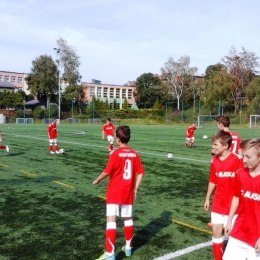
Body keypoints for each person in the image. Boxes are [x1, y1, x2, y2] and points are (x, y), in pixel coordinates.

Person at [93, 126, 144, 260]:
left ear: (117, 139)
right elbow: (141, 173)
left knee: (111, 220)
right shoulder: (134, 154)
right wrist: (135, 188)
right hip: (128, 191)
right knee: (128, 218)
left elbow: (107, 171)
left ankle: (110, 253)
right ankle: (128, 248)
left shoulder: (115, 153)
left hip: (115, 191)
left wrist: (97, 179)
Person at [203, 130, 243, 260]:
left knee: (233, 235)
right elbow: (212, 180)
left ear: (225, 146)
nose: (213, 147)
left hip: (233, 204)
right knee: (216, 231)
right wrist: (207, 198)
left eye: (215, 145)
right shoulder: (214, 160)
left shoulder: (237, 160)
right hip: (218, 202)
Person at [223, 138, 260, 260]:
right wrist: (229, 221)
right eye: (243, 156)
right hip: (240, 229)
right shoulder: (240, 174)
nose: (244, 160)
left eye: (248, 157)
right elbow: (236, 197)